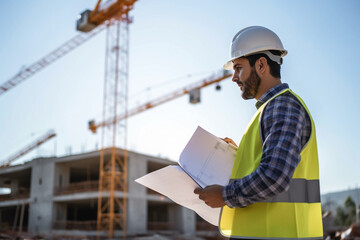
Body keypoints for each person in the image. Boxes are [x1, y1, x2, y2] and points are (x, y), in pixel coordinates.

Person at [194, 26, 323, 239]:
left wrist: (224, 196)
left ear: (261, 64)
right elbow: (273, 164)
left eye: (238, 68)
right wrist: (235, 154)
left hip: (281, 234)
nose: (234, 77)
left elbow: (274, 176)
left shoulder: (282, 106)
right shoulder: (269, 109)